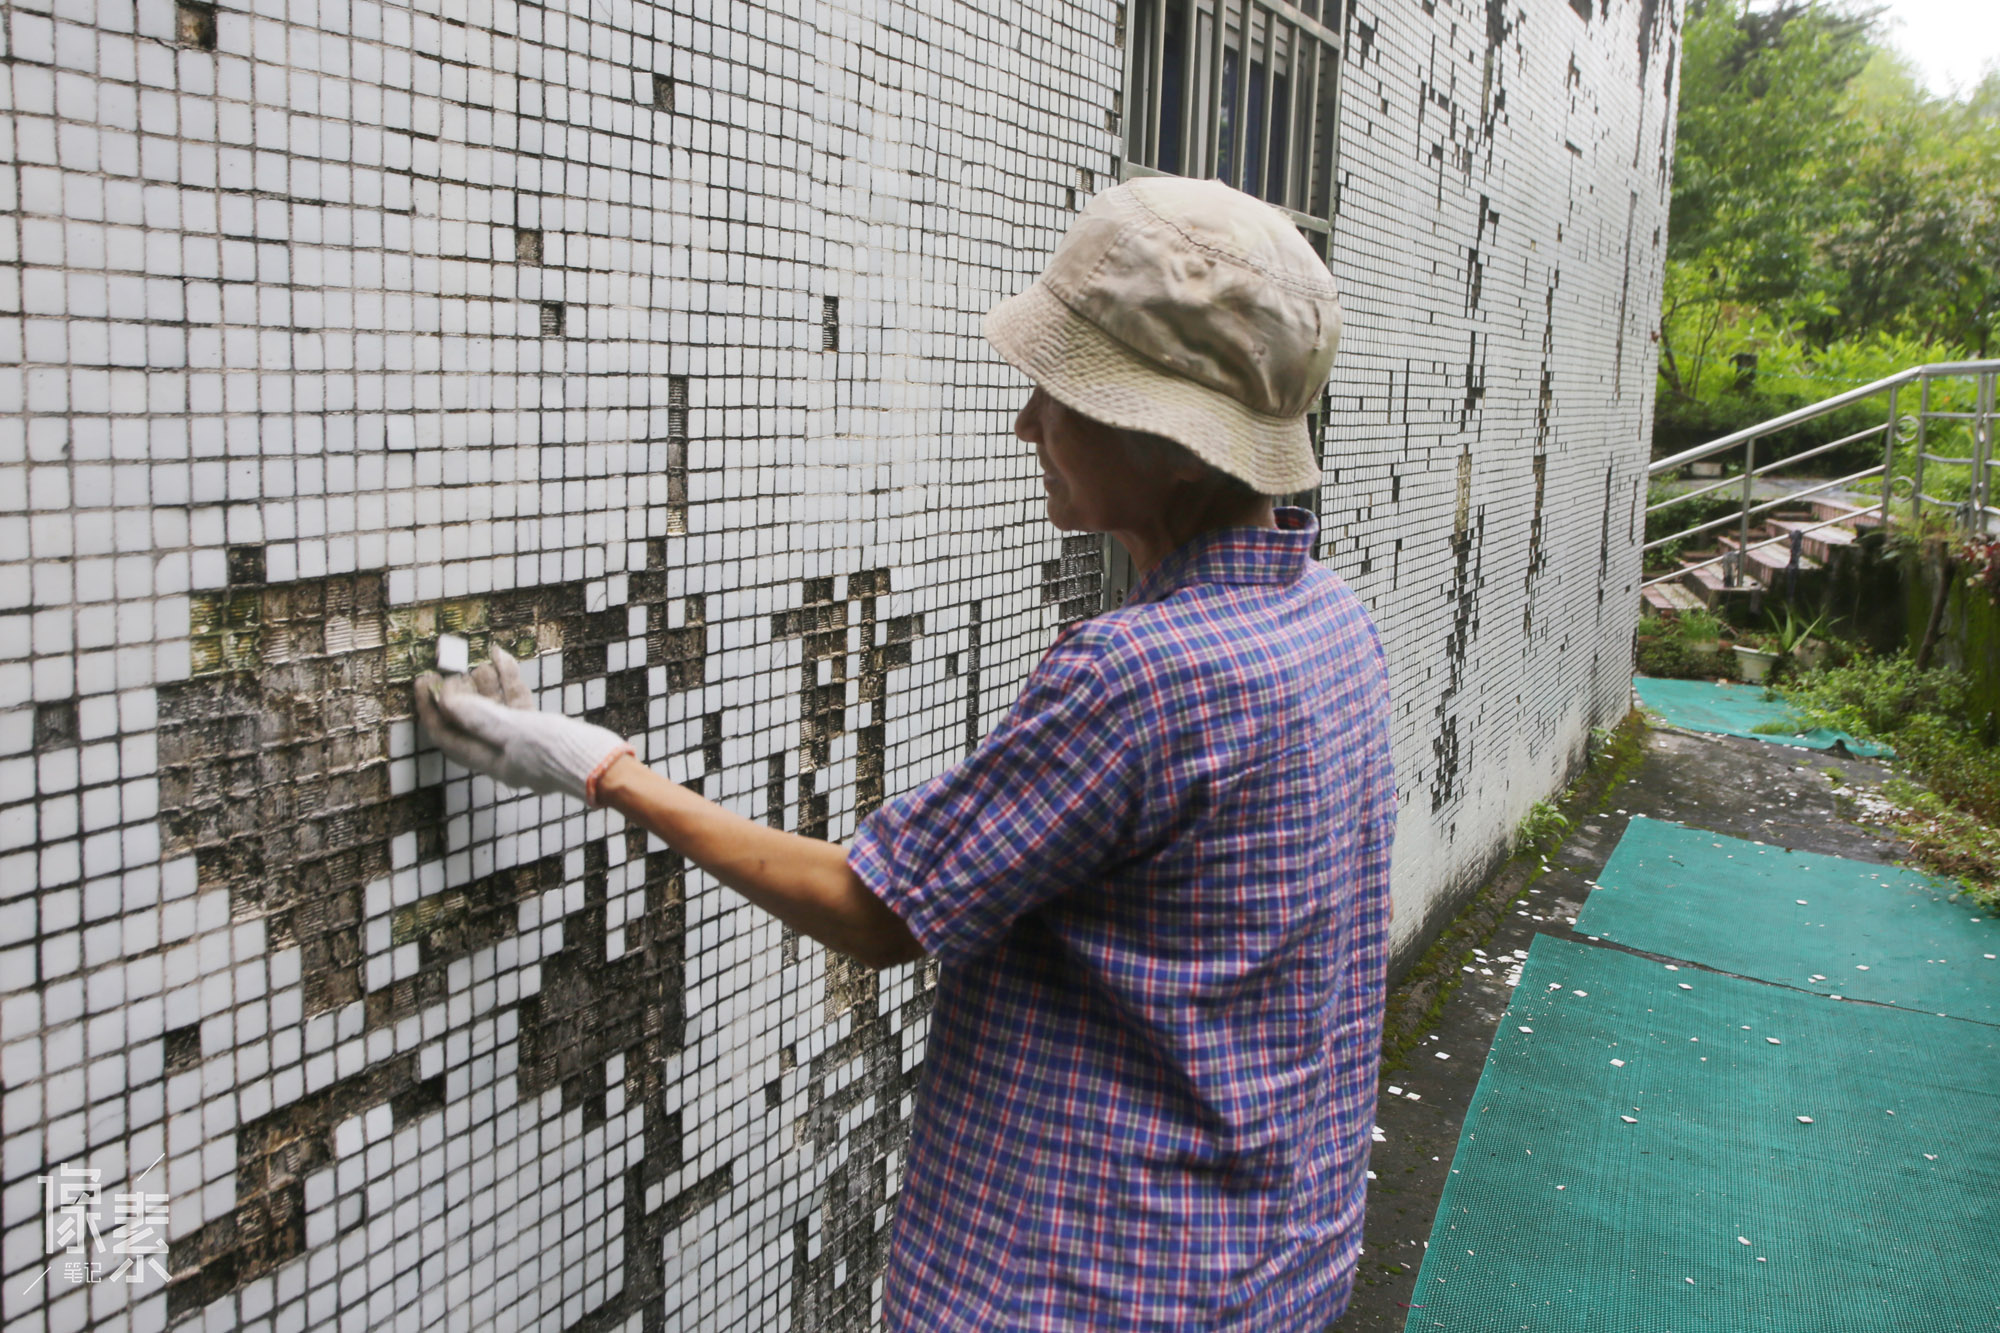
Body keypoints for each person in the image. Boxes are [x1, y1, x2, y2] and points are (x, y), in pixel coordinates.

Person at [417, 176, 1396, 1330]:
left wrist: (599, 767)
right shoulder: (1327, 621)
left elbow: (875, 909)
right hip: (1266, 1261)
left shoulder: (1141, 673)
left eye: (1062, 393)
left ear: (1176, 447)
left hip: (1093, 1289)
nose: (1027, 424)